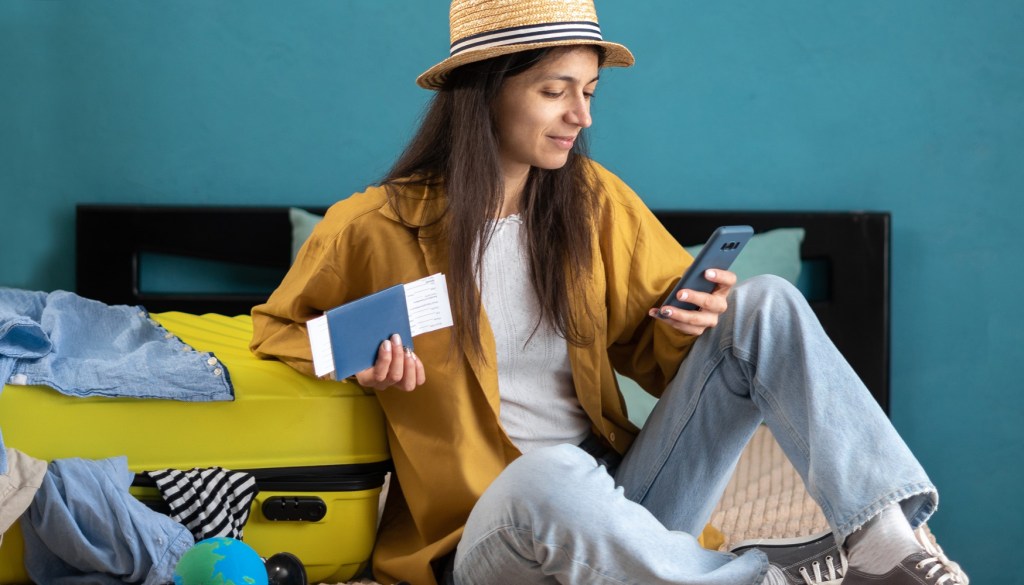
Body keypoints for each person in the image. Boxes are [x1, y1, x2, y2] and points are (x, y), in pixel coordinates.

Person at [251, 1, 969, 584]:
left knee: (766, 301)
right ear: (486, 87)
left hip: (625, 504)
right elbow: (274, 328)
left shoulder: (593, 203)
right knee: (551, 472)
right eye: (554, 91)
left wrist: (692, 323)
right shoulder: (373, 227)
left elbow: (656, 355)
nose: (581, 117)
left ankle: (882, 542)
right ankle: (759, 577)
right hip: (486, 538)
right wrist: (355, 360)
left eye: (588, 93)